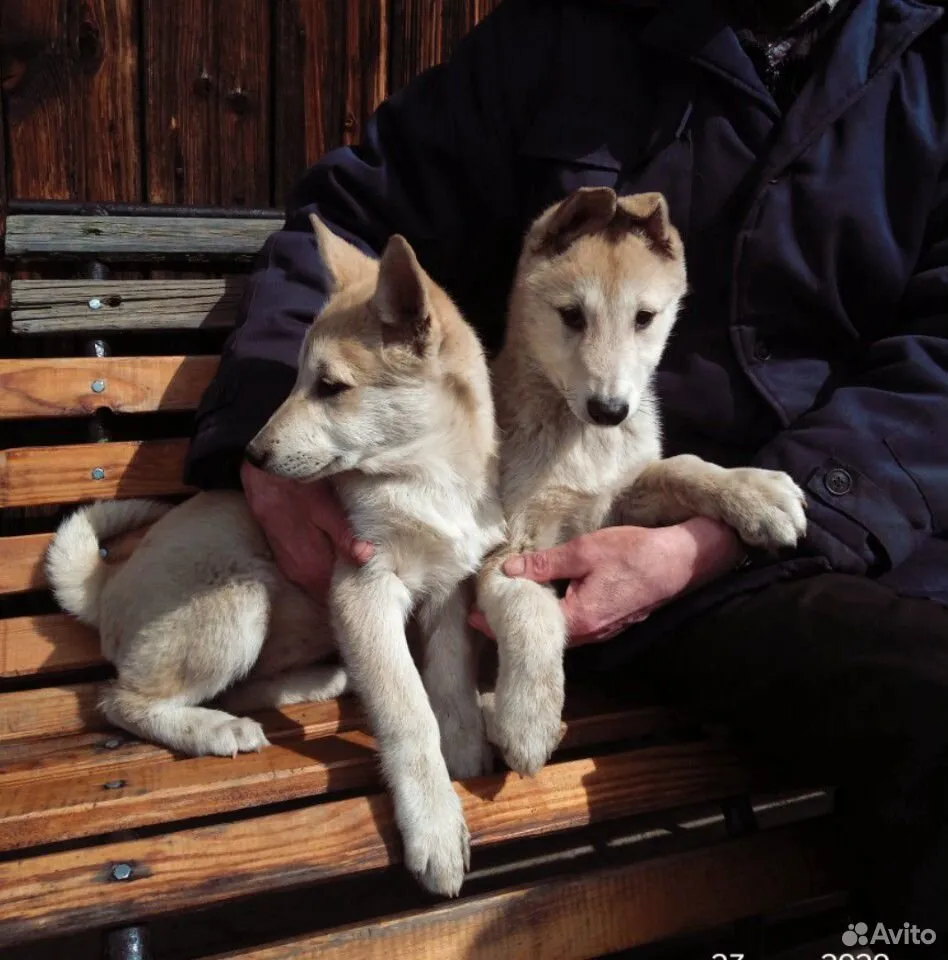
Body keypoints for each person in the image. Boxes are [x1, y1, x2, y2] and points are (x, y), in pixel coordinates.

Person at [185, 0, 948, 936]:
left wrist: (727, 530)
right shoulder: (560, 37)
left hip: (857, 524)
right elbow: (351, 220)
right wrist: (271, 450)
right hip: (576, 543)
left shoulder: (927, 60)